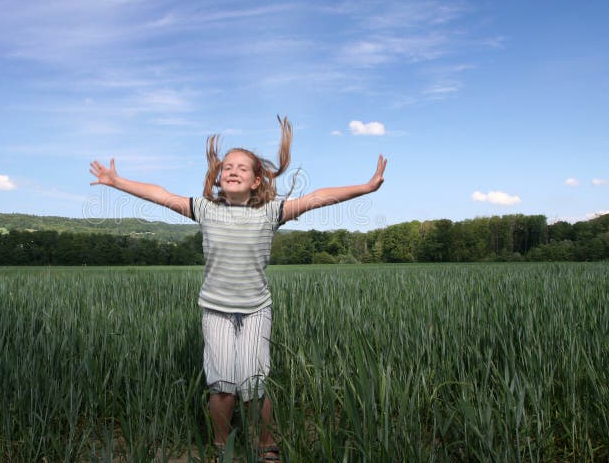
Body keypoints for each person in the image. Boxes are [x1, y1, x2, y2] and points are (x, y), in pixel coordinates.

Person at [90, 117, 387, 462]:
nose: (232, 170)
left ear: (256, 180)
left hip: (256, 309)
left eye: (241, 168)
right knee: (222, 387)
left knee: (254, 386)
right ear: (218, 177)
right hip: (215, 308)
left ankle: (266, 445)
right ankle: (220, 447)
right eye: (227, 166)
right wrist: (116, 181)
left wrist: (365, 188)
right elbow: (161, 195)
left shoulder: (271, 212)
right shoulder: (204, 209)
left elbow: (318, 197)